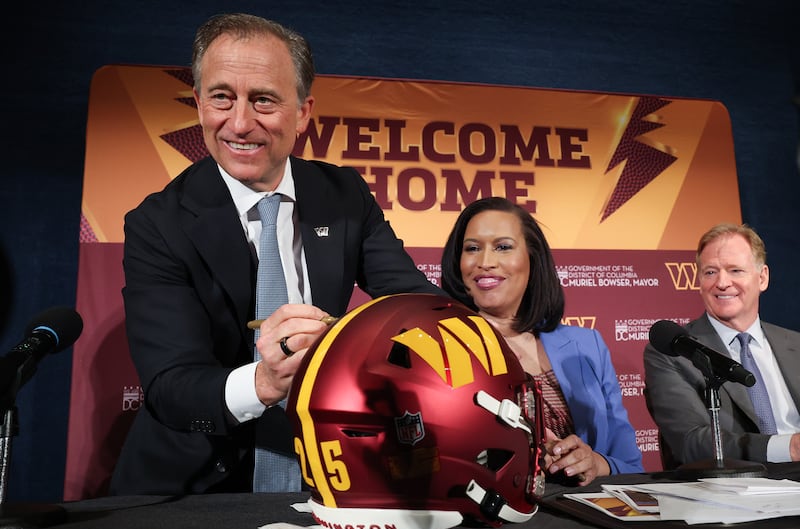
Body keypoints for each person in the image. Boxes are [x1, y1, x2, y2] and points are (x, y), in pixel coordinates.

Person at [110, 13, 442, 496]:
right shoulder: (157, 224)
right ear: (199, 103)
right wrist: (264, 382)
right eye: (221, 97)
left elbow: (415, 307)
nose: (239, 123)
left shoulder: (344, 194)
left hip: (327, 477)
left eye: (263, 99)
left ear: (303, 112)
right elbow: (171, 387)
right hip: (191, 488)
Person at [440, 197, 642, 485]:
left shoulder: (588, 345)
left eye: (503, 247)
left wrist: (596, 463)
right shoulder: (443, 347)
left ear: (532, 258)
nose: (485, 262)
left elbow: (631, 464)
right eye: (472, 248)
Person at [644, 223, 800, 467]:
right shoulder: (675, 352)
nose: (722, 282)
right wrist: (789, 448)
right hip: (738, 489)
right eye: (710, 272)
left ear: (762, 278)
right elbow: (693, 443)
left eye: (735, 270)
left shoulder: (796, 344)